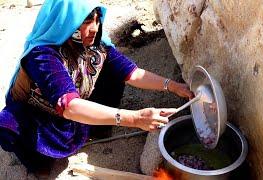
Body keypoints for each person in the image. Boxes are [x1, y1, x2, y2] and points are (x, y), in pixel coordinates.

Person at [0, 0, 194, 172]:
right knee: (8, 125)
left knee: (113, 71)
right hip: (42, 121)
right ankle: (39, 165)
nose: (94, 28)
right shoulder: (42, 56)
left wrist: (174, 86)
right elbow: (70, 106)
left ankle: (96, 128)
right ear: (65, 22)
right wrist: (134, 118)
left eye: (97, 19)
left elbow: (132, 73)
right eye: (85, 21)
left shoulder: (96, 46)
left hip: (75, 112)